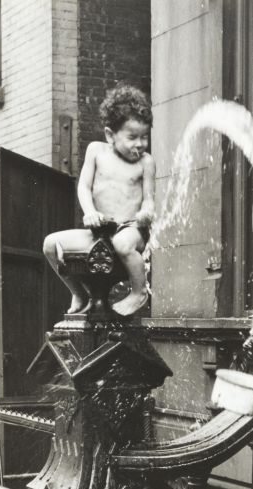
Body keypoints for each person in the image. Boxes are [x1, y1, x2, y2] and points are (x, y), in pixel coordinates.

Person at [43, 84, 155, 317]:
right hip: (100, 231)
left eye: (144, 137)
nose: (140, 144)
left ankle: (138, 291)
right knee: (51, 245)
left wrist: (146, 214)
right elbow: (83, 187)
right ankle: (79, 292)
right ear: (110, 135)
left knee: (122, 244)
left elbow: (149, 200)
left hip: (130, 229)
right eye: (132, 137)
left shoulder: (146, 162)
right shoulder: (96, 151)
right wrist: (89, 212)